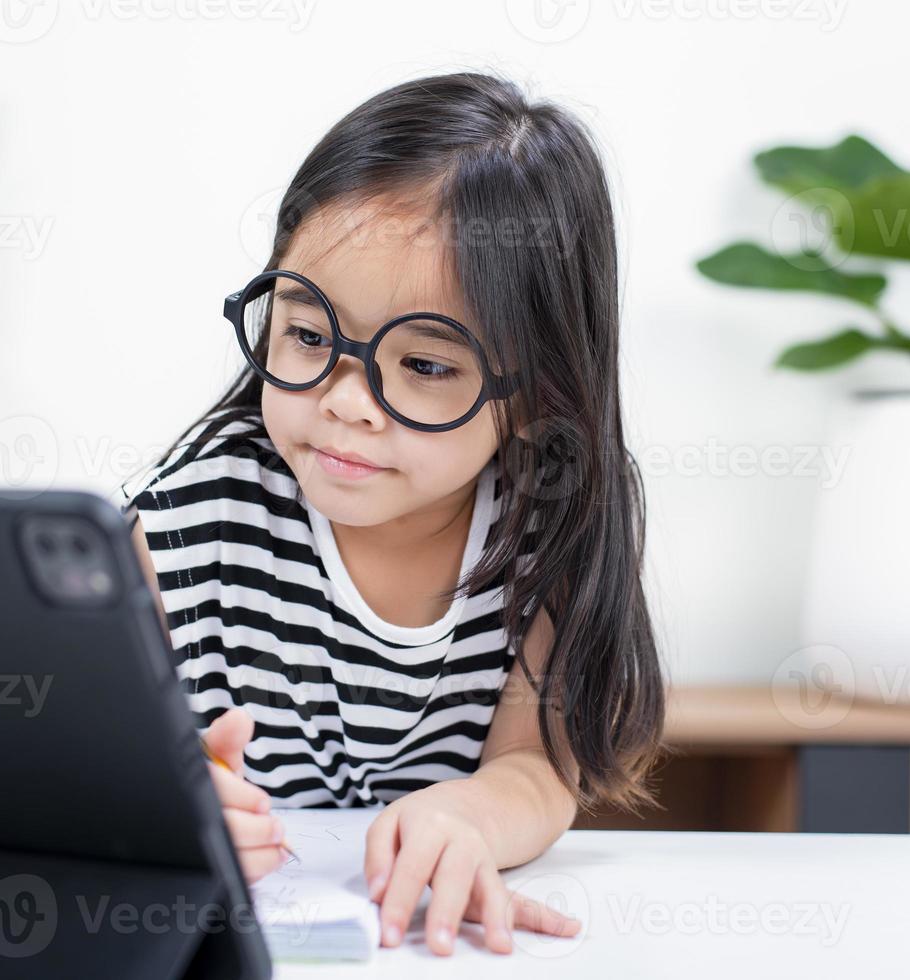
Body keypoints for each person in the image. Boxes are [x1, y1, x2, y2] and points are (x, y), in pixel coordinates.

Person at [115, 70, 663, 957]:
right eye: (308, 335)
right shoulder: (180, 524)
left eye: (427, 367)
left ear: (535, 395)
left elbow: (537, 765)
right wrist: (146, 799)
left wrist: (472, 817)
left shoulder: (548, 525)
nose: (347, 401)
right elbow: (49, 764)